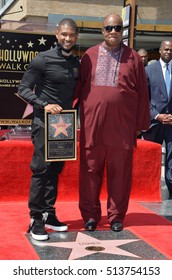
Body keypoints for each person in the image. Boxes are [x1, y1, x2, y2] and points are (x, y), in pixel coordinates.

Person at [73, 13, 150, 232]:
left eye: (117, 27)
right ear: (102, 31)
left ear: (123, 30)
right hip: (93, 128)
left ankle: (116, 216)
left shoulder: (133, 58)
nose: (113, 31)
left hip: (121, 129)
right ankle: (90, 216)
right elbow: (77, 88)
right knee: (89, 172)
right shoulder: (89, 55)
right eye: (109, 28)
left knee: (120, 174)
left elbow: (143, 94)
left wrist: (138, 126)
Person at [18, 18, 79, 241]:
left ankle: (49, 213)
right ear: (56, 34)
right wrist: (44, 105)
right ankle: (35, 218)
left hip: (64, 126)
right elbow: (23, 88)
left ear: (76, 37)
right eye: (64, 34)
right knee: (41, 170)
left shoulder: (75, 62)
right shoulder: (42, 59)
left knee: (55, 171)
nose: (67, 38)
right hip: (44, 124)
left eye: (71, 35)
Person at [142, 40, 172, 200]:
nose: (168, 52)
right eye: (166, 49)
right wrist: (157, 115)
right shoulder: (148, 70)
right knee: (149, 160)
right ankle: (148, 193)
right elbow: (143, 99)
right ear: (160, 50)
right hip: (153, 123)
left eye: (171, 50)